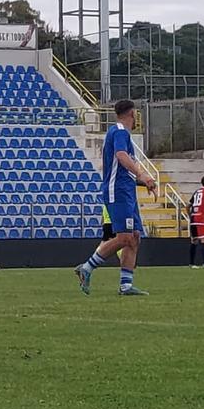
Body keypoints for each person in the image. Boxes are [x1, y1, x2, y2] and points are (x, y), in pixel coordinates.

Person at [73, 99, 157, 296]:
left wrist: (144, 182)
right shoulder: (119, 130)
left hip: (126, 191)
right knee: (124, 237)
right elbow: (121, 156)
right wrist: (142, 174)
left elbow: (122, 168)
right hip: (117, 191)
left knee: (134, 237)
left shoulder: (122, 134)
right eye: (136, 114)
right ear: (132, 114)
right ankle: (86, 268)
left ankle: (126, 285)